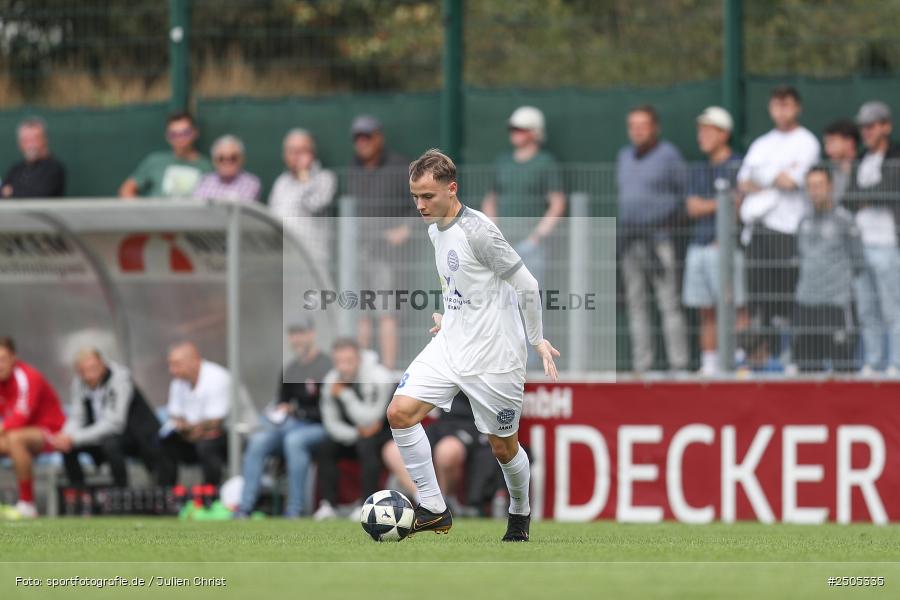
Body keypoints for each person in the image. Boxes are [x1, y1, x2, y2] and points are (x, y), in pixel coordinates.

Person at [387, 149, 560, 542]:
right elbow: (461, 284)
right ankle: (433, 508)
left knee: (503, 448)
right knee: (399, 413)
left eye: (427, 196)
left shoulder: (479, 232)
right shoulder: (435, 228)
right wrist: (450, 317)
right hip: (451, 346)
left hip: (496, 357)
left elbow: (527, 285)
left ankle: (520, 511)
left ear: (452, 189)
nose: (420, 205)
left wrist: (537, 340)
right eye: (415, 197)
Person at [738, 86, 821, 355]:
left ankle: (791, 355)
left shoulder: (807, 142)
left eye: (786, 104)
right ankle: (766, 357)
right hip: (758, 233)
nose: (781, 110)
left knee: (787, 299)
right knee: (759, 301)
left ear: (797, 108)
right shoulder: (761, 143)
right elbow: (743, 182)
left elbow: (791, 182)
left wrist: (763, 175)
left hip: (790, 231)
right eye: (776, 104)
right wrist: (776, 174)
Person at [617, 104, 689, 373]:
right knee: (636, 305)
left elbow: (683, 195)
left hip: (659, 241)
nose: (637, 131)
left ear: (655, 128)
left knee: (669, 303)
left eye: (643, 126)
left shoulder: (669, 155)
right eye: (633, 126)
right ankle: (642, 366)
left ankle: (678, 366)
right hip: (630, 242)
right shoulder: (624, 156)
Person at [236, 321, 331, 518]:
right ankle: (245, 508)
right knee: (258, 440)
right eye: (292, 334)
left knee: (294, 441)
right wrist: (279, 412)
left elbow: (329, 411)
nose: (296, 339)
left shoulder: (326, 366)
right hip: (291, 426)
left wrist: (297, 411)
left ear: (312, 334)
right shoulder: (291, 369)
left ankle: (295, 509)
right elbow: (282, 402)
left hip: (320, 427)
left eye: (300, 333)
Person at [344, 115, 412, 370]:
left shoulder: (400, 166)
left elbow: (419, 204)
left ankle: (388, 371)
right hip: (358, 252)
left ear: (379, 138)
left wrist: (406, 228)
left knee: (386, 312)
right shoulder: (352, 168)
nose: (362, 142)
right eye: (358, 138)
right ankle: (361, 370)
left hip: (387, 255)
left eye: (367, 137)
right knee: (361, 313)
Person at [682, 107, 746, 376]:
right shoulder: (698, 169)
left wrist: (715, 205)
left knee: (735, 308)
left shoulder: (738, 164)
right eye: (700, 130)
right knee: (705, 310)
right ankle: (709, 366)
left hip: (728, 249)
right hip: (699, 246)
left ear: (724, 134)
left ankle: (739, 361)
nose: (701, 136)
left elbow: (739, 204)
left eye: (708, 130)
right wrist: (721, 203)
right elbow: (692, 207)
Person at [844, 101, 900, 376]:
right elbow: (848, 197)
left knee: (893, 307)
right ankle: (873, 361)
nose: (866, 132)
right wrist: (869, 197)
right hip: (861, 244)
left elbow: (889, 190)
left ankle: (896, 363)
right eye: (863, 127)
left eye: (872, 126)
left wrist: (866, 197)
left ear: (886, 127)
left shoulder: (896, 155)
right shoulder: (861, 160)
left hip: (888, 244)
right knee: (867, 308)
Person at [480, 106, 566, 285]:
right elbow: (490, 199)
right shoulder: (502, 162)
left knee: (530, 296)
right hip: (502, 245)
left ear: (535, 132)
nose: (514, 133)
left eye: (520, 129)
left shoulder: (545, 163)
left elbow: (557, 203)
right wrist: (494, 232)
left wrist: (536, 238)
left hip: (532, 246)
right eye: (512, 129)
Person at [52, 349, 160, 489]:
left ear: (102, 364)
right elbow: (77, 416)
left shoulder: (120, 380)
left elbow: (114, 424)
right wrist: (65, 436)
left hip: (133, 437)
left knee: (110, 444)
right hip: (98, 436)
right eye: (83, 371)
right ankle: (78, 493)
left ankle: (120, 492)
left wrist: (74, 438)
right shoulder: (79, 384)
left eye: (93, 369)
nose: (89, 375)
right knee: (67, 447)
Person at [313, 338, 394, 520]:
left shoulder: (379, 377)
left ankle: (366, 504)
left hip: (381, 434)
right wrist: (356, 433)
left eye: (349, 361)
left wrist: (345, 395)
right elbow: (331, 423)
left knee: (367, 445)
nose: (344, 367)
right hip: (353, 434)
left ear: (359, 359)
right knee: (325, 446)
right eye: (339, 362)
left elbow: (371, 419)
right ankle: (328, 505)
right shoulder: (330, 381)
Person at [792, 167, 864, 372]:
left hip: (836, 304)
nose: (814, 191)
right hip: (806, 303)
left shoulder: (845, 220)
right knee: (806, 371)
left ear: (830, 187)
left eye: (819, 185)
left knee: (843, 370)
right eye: (810, 186)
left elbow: (858, 260)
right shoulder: (803, 221)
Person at [382, 392, 490, 512]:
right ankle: (426, 502)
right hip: (437, 423)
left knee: (447, 451)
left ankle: (444, 503)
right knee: (392, 450)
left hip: (468, 424)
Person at [0, 337, 66, 517]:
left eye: (3, 359)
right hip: (17, 436)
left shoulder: (27, 376)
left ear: (14, 358)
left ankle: (27, 504)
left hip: (52, 434)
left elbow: (20, 418)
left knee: (15, 439)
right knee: (13, 439)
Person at [158, 342, 229, 486]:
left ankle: (210, 493)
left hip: (229, 437)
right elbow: (175, 414)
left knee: (207, 445)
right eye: (170, 365)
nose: (172, 370)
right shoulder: (178, 382)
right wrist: (187, 430)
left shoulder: (218, 377)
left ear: (194, 361)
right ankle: (167, 492)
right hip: (192, 434)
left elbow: (216, 421)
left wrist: (191, 429)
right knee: (164, 442)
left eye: (177, 364)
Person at [268, 129, 337, 270]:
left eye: (301, 151)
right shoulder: (281, 182)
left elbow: (314, 205)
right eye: (291, 151)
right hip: (283, 259)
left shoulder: (324, 178)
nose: (296, 156)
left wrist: (304, 174)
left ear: (312, 154)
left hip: (313, 261)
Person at [118, 112, 212, 199]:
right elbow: (126, 190)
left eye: (185, 133)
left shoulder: (207, 166)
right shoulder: (155, 161)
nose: (180, 139)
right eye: (174, 134)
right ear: (167, 136)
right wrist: (143, 210)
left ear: (195, 133)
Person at [1, 117, 65, 198]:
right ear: (20, 144)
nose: (30, 145)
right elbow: (2, 192)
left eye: (34, 139)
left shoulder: (54, 168)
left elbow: (40, 195)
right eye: (26, 140)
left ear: (44, 140)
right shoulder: (16, 169)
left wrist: (12, 192)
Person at [192, 135, 261, 203]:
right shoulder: (205, 180)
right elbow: (196, 206)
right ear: (214, 161)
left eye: (233, 158)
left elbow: (241, 207)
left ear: (242, 159)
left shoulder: (251, 183)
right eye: (221, 158)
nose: (227, 162)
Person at [822, 119, 860, 201]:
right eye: (826, 143)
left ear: (849, 142)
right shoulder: (829, 171)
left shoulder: (864, 166)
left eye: (832, 142)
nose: (827, 149)